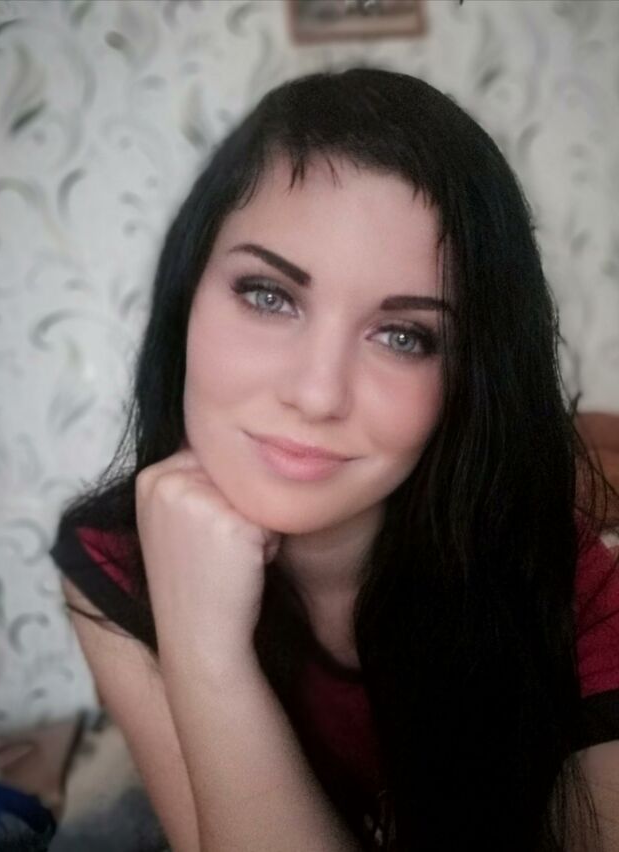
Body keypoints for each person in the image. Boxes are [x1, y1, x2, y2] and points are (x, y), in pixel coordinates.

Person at [50, 68, 619, 851]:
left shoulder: (574, 591)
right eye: (268, 295)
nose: (318, 395)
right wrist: (204, 652)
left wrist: (209, 663)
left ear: (466, 379)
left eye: (404, 336)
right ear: (186, 298)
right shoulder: (113, 556)